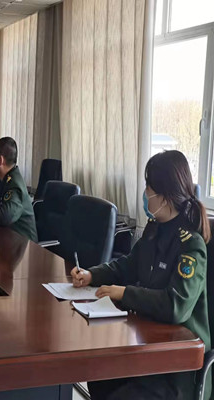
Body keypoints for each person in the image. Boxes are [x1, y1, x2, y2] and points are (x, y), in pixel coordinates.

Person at [72, 150, 211, 400]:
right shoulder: (154, 229)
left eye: (148, 188)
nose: (145, 194)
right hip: (147, 347)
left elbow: (176, 306)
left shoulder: (191, 245)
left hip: (177, 368)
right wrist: (91, 274)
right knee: (98, 375)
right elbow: (128, 265)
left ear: (165, 196)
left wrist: (125, 293)